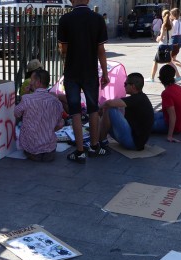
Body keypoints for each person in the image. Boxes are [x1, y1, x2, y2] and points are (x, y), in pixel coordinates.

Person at [57, 0, 109, 164]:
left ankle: (80, 152)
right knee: (93, 109)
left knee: (75, 111)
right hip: (90, 72)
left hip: (72, 72)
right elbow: (101, 51)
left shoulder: (65, 19)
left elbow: (63, 50)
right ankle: (94, 146)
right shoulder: (97, 19)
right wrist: (105, 73)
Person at [14, 69, 65, 162]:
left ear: (37, 83)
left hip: (31, 149)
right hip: (50, 151)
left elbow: (16, 113)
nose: (30, 83)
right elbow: (59, 123)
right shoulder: (55, 101)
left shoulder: (27, 99)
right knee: (61, 121)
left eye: (32, 80)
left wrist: (25, 94)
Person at [98, 73, 154, 151]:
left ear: (133, 86)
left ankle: (102, 141)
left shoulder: (136, 99)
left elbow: (109, 103)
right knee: (108, 113)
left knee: (110, 109)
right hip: (136, 141)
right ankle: (99, 136)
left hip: (133, 143)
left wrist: (99, 108)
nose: (124, 86)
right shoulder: (141, 97)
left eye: (125, 84)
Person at [152, 65, 181, 143]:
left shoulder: (166, 93)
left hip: (175, 126)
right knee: (152, 115)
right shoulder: (179, 88)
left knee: (145, 123)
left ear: (161, 78)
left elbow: (173, 116)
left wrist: (170, 136)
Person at [150, 9, 173, 81]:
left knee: (155, 61)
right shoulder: (172, 24)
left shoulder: (164, 25)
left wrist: (158, 38)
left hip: (163, 45)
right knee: (169, 62)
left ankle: (152, 78)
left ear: (163, 16)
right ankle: (171, 76)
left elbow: (161, 36)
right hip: (170, 45)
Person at [169, 8, 181, 81]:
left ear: (173, 15)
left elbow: (171, 31)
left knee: (170, 60)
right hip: (179, 39)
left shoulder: (174, 22)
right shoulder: (180, 22)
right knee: (173, 59)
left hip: (174, 40)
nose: (170, 16)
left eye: (170, 14)